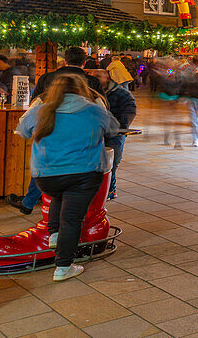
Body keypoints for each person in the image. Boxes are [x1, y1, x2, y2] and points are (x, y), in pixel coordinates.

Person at [14, 73, 118, 281]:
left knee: (59, 197)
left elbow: (22, 130)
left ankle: (54, 235)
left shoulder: (41, 111)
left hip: (47, 176)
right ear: (81, 90)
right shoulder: (94, 110)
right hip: (84, 174)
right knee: (72, 219)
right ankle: (63, 267)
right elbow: (113, 129)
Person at [89, 66, 136, 200]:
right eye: (94, 77)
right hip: (96, 132)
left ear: (107, 77)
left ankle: (110, 188)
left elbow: (130, 109)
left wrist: (121, 126)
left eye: (98, 77)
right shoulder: (90, 93)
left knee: (112, 161)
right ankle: (98, 188)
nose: (95, 80)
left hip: (115, 133)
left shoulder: (121, 93)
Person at [32, 47, 104, 102]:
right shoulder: (93, 81)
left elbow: (34, 102)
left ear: (65, 62)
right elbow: (103, 105)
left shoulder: (46, 78)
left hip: (51, 119)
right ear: (84, 63)